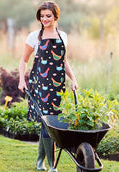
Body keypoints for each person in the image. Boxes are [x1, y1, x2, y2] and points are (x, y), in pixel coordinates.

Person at [18, 1, 78, 171]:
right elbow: (23, 61)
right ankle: (52, 166)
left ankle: (39, 162)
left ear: (56, 16)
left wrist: (73, 78)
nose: (44, 19)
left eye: (48, 16)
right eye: (42, 16)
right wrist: (22, 80)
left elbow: (63, 61)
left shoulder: (63, 36)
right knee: (47, 122)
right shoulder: (34, 37)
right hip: (40, 84)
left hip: (57, 85)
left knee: (50, 122)